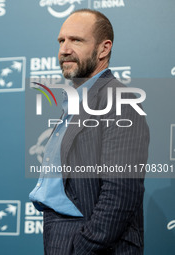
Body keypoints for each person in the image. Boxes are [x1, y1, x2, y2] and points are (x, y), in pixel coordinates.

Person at [29, 9, 149, 255]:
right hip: (61, 235)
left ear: (104, 49)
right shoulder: (76, 102)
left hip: (94, 244)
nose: (64, 49)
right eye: (61, 41)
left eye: (76, 40)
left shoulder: (119, 99)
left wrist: (84, 246)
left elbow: (121, 192)